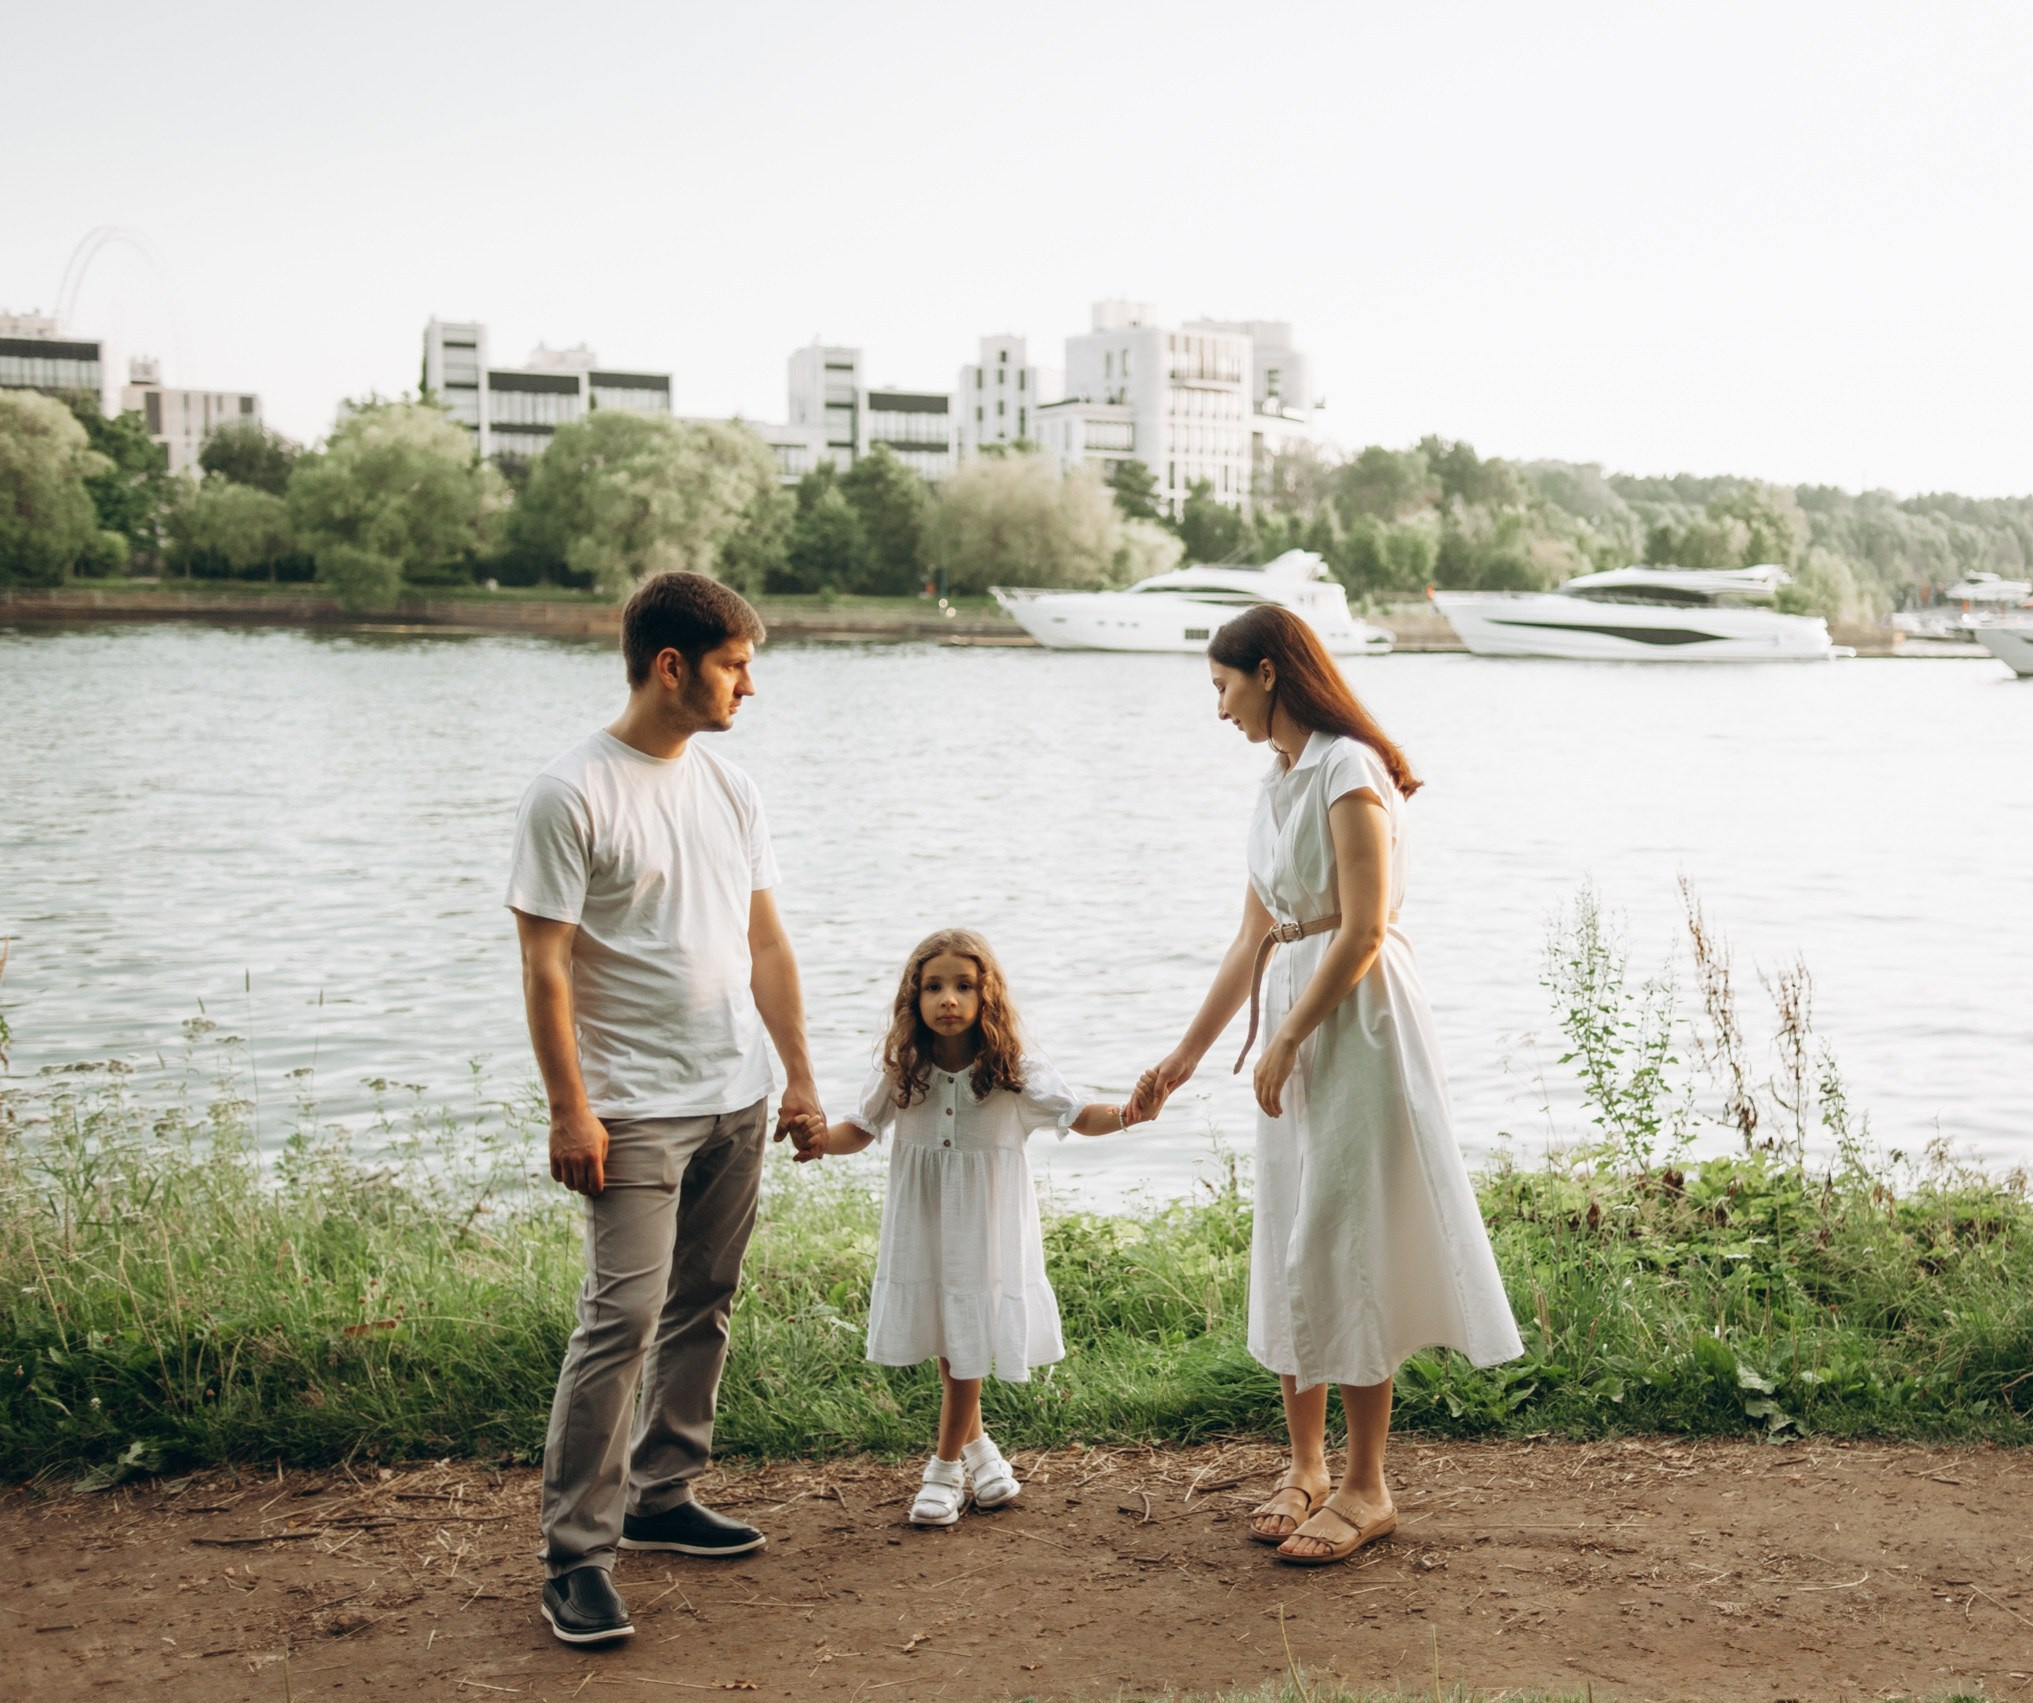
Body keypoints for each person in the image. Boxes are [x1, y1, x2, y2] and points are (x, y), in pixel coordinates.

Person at [1137, 606, 1522, 1566]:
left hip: (1354, 1019)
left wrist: (1291, 1035)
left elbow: (1361, 925)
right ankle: (1305, 1464)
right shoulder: (1274, 785)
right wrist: (1184, 1058)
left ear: (1268, 673)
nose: (1218, 708)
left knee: (1347, 1233)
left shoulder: (1348, 767)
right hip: (1293, 1015)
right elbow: (1251, 938)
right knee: (1293, 1228)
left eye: (1223, 686)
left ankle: (1367, 1484)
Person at [506, 572, 825, 1646]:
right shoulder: (571, 790)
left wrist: (798, 1076)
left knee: (707, 1298)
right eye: (737, 664)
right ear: (673, 664)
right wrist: (569, 1110)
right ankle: (576, 1556)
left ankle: (663, 1492)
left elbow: (767, 943)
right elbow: (545, 968)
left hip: (735, 1090)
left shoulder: (731, 788)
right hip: (634, 1108)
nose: (750, 685)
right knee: (620, 1320)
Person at [793, 929, 1154, 1524]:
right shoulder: (903, 1067)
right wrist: (816, 1142)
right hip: (926, 1218)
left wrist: (1129, 1113)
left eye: (964, 986)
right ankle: (981, 1452)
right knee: (950, 1330)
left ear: (988, 997)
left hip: (986, 1223)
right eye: (933, 987)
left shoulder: (1013, 1068)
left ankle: (943, 1468)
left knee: (967, 1336)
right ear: (914, 998)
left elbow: (1077, 1114)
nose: (949, 999)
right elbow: (858, 1129)